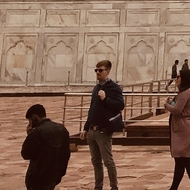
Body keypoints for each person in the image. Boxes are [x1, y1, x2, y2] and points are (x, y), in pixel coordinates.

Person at [80, 60, 124, 190]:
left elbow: (120, 105)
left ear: (108, 71)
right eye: (96, 70)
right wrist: (85, 127)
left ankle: (114, 187)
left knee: (108, 161)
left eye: (101, 70)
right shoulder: (96, 87)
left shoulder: (113, 88)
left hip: (103, 130)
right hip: (92, 130)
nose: (98, 73)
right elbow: (92, 109)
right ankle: (98, 186)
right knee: (96, 162)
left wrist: (106, 99)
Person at [164, 67, 190, 190]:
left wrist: (166, 105)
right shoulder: (189, 92)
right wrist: (172, 103)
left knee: (186, 159)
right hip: (185, 128)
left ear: (183, 78)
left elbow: (177, 110)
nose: (176, 79)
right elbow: (181, 107)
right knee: (180, 160)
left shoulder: (185, 94)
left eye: (178, 77)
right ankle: (174, 187)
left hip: (184, 129)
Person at [21, 103, 70, 190]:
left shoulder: (37, 132)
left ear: (34, 117)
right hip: (55, 175)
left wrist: (29, 135)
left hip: (38, 176)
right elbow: (66, 153)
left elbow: (26, 153)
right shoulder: (62, 129)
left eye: (30, 121)